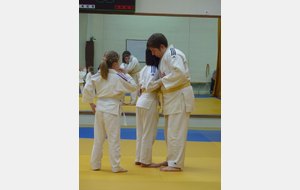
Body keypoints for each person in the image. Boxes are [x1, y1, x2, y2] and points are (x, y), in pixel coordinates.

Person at [82, 51, 137, 173]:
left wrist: (91, 103)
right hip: (111, 109)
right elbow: (133, 86)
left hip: (100, 107)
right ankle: (115, 166)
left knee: (98, 139)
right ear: (116, 63)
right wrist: (126, 74)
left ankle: (95, 164)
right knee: (114, 140)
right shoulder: (118, 76)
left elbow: (86, 89)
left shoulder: (98, 74)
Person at [147, 33, 195, 172]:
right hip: (172, 99)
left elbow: (179, 73)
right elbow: (172, 75)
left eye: (154, 51)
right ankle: (171, 159)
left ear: (162, 46)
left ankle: (175, 164)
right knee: (169, 133)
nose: (153, 54)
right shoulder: (165, 57)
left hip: (179, 98)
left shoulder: (173, 53)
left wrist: (162, 80)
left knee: (176, 132)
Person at [135, 49, 162, 168]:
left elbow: (141, 85)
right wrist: (161, 81)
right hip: (149, 101)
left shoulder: (144, 68)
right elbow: (150, 85)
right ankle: (146, 161)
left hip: (141, 101)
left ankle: (139, 158)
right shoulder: (153, 69)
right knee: (148, 133)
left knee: (140, 132)